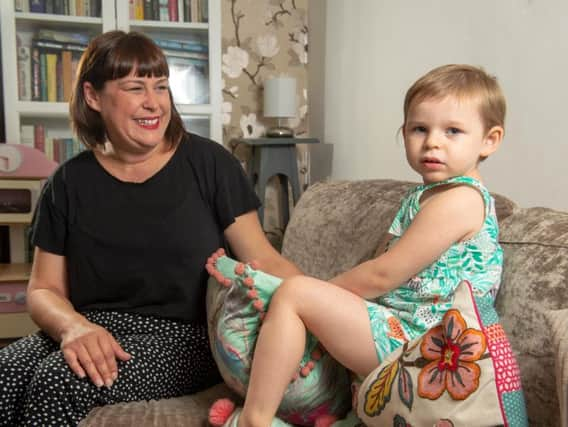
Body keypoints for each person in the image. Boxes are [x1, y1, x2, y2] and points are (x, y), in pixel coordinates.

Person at [0, 30, 300, 426]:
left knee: (59, 380)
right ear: (93, 97)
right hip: (91, 326)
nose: (153, 102)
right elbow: (44, 290)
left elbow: (261, 258)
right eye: (134, 87)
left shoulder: (209, 164)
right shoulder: (67, 183)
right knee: (5, 374)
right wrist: (74, 327)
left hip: (184, 340)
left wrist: (331, 300)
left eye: (160, 86)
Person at [225, 64, 506, 426]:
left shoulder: (461, 200)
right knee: (300, 301)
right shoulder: (423, 197)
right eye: (420, 129)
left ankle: (254, 419)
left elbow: (382, 274)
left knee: (294, 294)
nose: (432, 141)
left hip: (428, 347)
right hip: (400, 330)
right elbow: (382, 260)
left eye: (452, 131)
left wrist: (315, 293)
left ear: (490, 139)